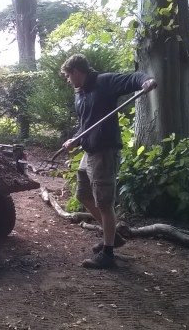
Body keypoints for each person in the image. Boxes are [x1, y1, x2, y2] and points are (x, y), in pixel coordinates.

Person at [61, 54, 157, 269]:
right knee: (83, 195)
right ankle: (111, 236)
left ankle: (108, 254)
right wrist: (75, 140)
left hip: (104, 151)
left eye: (68, 76)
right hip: (89, 151)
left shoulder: (103, 82)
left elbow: (133, 78)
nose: (68, 81)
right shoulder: (80, 94)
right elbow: (86, 125)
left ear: (76, 71)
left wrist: (146, 81)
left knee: (104, 202)